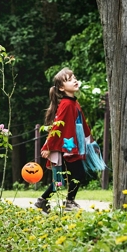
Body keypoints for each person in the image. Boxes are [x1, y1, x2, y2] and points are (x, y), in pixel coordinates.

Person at [35, 67, 95, 214]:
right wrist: (48, 146)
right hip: (67, 147)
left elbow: (81, 124)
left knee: (62, 178)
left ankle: (42, 201)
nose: (74, 80)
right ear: (61, 87)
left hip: (70, 146)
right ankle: (68, 202)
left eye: (74, 77)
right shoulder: (67, 104)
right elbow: (57, 126)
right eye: (69, 79)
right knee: (77, 174)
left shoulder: (73, 102)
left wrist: (88, 141)